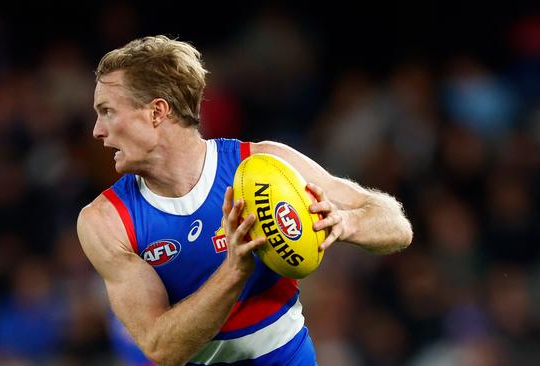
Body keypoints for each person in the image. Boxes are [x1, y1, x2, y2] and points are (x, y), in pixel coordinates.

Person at [76, 35, 413, 366]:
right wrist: (235, 270)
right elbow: (162, 348)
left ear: (156, 112)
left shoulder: (264, 165)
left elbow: (397, 226)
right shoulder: (106, 222)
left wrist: (347, 222)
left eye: (107, 112)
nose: (97, 131)